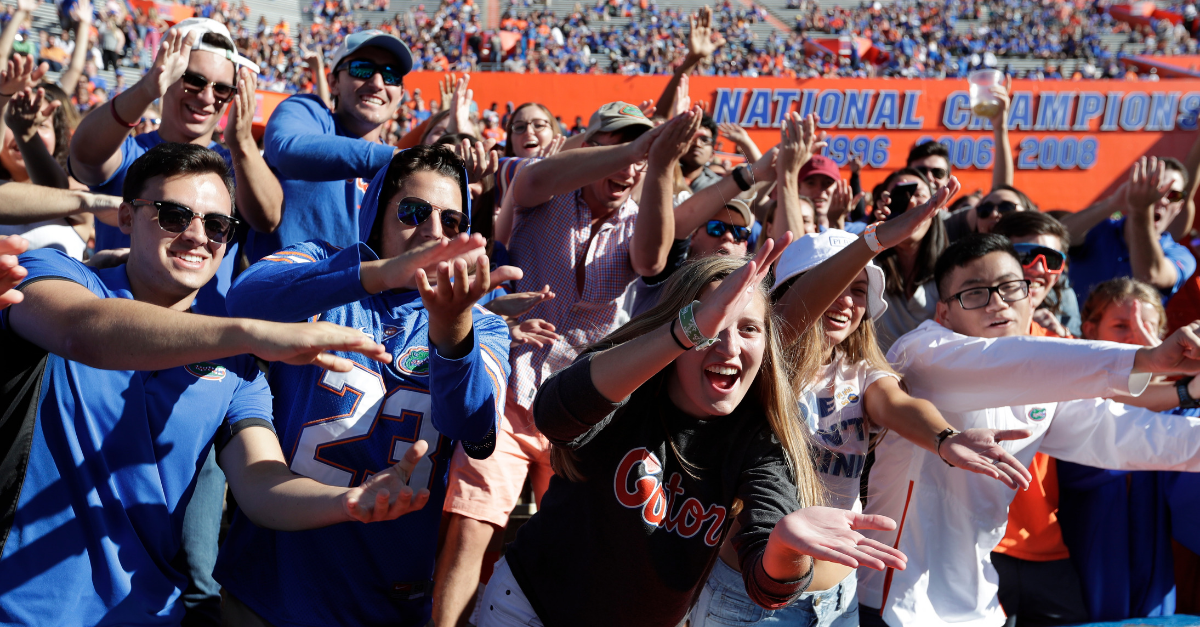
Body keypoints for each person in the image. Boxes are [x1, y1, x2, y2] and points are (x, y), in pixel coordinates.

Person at [0, 143, 427, 627]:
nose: (196, 236)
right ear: (125, 215)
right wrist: (249, 331)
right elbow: (85, 331)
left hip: (143, 614)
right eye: (173, 214)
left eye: (217, 226)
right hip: (15, 606)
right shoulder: (52, 274)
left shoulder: (238, 361)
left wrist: (346, 502)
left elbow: (262, 482)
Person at [476, 246, 908, 627]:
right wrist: (684, 332)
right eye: (710, 326)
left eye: (749, 328)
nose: (730, 346)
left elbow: (768, 587)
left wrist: (783, 545)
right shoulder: (631, 389)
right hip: (529, 610)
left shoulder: (759, 438)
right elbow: (554, 414)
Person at [693, 189, 1038, 627]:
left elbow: (898, 404)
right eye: (832, 285)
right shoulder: (758, 363)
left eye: (858, 290)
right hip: (751, 601)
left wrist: (945, 439)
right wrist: (872, 241)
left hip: (839, 601)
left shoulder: (862, 372)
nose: (845, 301)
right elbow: (786, 325)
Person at [215, 145, 512, 626]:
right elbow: (246, 298)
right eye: (414, 212)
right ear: (376, 213)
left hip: (383, 588)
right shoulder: (322, 262)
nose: (435, 232)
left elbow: (474, 429)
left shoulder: (481, 324)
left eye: (453, 221)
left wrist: (451, 327)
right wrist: (378, 275)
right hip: (274, 582)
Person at [857, 233, 1200, 627]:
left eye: (1010, 288)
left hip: (981, 602)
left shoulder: (1045, 376)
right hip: (895, 599)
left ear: (1030, 296)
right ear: (944, 314)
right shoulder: (921, 353)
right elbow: (1009, 362)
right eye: (975, 293)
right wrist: (1148, 358)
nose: (998, 302)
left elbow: (1126, 435)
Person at [432, 104, 680, 627]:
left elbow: (653, 261)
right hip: (509, 392)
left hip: (580, 413)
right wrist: (633, 150)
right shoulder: (542, 184)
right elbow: (534, 177)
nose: (631, 165)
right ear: (590, 145)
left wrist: (655, 167)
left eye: (640, 153)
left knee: (567, 547)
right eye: (618, 146)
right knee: (471, 530)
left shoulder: (640, 216)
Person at [68, 17, 281, 315]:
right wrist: (147, 88)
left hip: (204, 342)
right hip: (115, 326)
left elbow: (268, 218)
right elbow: (85, 155)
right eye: (194, 81)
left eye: (222, 89)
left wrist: (242, 141)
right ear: (168, 74)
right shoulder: (130, 151)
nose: (207, 97)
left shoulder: (234, 165)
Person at [1056, 277, 1200, 621]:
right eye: (1122, 326)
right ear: (1089, 330)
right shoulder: (1065, 387)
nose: (1136, 337)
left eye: (1149, 327)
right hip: (1085, 547)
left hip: (1155, 561)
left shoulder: (1182, 406)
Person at [248, 29, 410, 263]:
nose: (377, 83)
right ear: (333, 82)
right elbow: (287, 148)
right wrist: (400, 159)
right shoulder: (310, 115)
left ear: (401, 94)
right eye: (362, 68)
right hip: (286, 293)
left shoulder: (399, 165)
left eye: (391, 75)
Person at [1064, 156, 1198, 305]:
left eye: (1174, 195)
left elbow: (1150, 275)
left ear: (1179, 206)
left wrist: (1141, 209)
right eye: (1155, 189)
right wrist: (1113, 203)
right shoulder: (1101, 230)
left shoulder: (1181, 255)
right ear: (1135, 189)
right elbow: (1057, 237)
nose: (1163, 200)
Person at [871, 168, 943, 352]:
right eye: (900, 196)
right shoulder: (867, 264)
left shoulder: (953, 266)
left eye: (919, 194)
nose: (911, 203)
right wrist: (877, 236)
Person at [992, 210, 1082, 337]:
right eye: (1024, 255)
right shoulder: (965, 330)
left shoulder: (1058, 343)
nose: (1038, 269)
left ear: (1057, 277)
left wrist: (1063, 337)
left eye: (1052, 260)